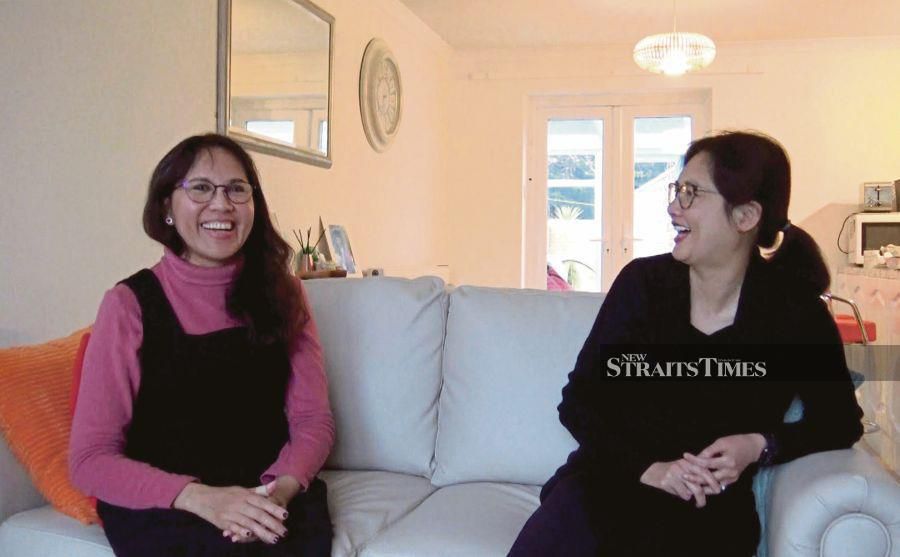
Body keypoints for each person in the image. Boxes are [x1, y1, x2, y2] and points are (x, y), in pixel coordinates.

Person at [508, 131, 863, 556]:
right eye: (677, 190)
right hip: (607, 485)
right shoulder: (643, 285)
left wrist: (759, 445)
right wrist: (651, 469)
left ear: (746, 216)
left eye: (691, 194)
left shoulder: (795, 312)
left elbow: (840, 421)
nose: (673, 206)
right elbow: (579, 402)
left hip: (707, 513)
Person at [69, 133, 335, 556]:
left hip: (268, 492)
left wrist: (274, 495)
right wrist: (203, 498)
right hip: (166, 502)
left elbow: (313, 423)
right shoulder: (127, 305)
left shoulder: (284, 294)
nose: (221, 204)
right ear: (166, 208)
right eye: (200, 188)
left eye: (236, 189)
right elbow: (90, 459)